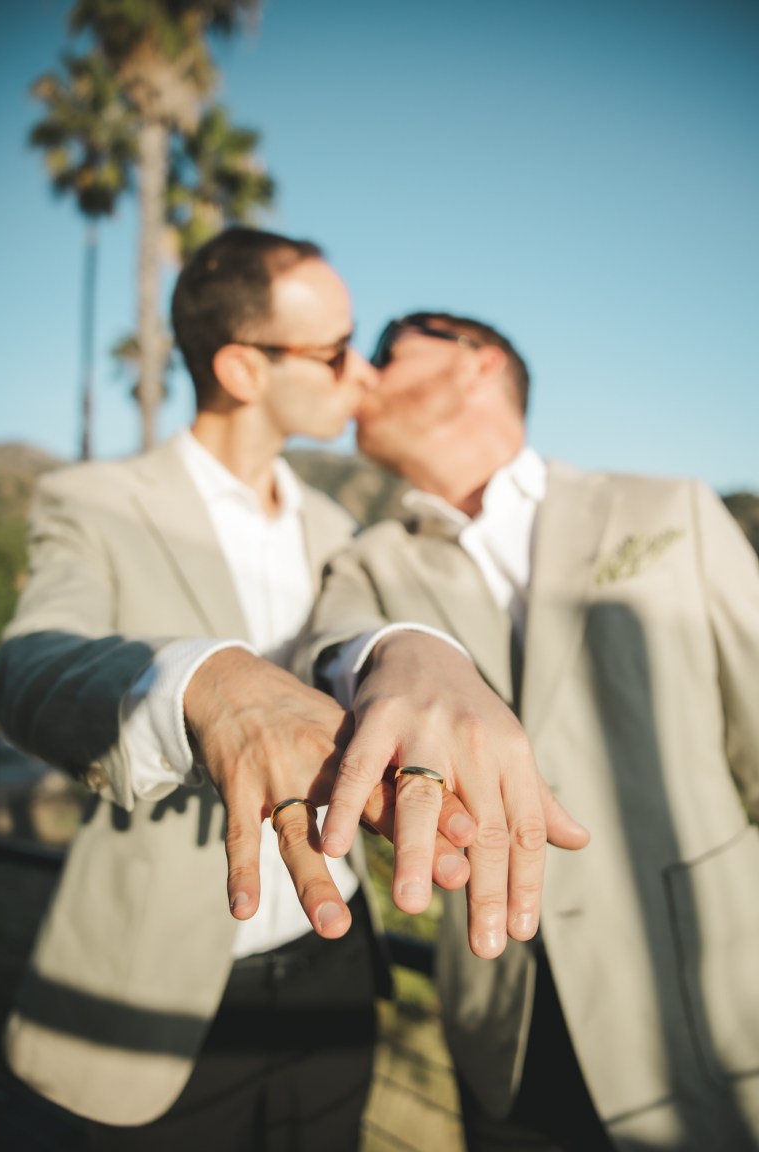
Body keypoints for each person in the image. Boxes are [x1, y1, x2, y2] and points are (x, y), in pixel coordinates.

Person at [0, 231, 486, 1152]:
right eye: (336, 354)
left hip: (337, 968)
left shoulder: (343, 523)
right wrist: (200, 679)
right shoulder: (93, 499)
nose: (363, 379)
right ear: (241, 368)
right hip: (158, 982)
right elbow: (27, 666)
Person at [299, 312, 759, 1152]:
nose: (360, 378)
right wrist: (397, 652)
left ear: (481, 365)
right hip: (506, 1034)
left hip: (717, 1003)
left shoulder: (671, 508)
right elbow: (329, 651)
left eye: (386, 353)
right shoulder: (367, 562)